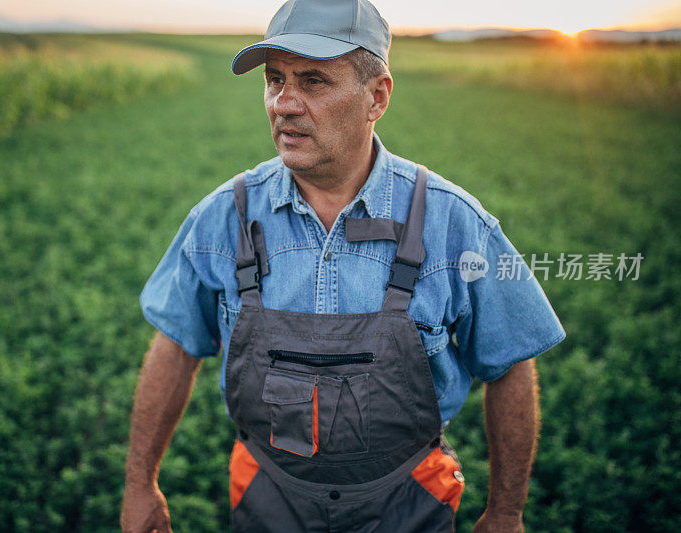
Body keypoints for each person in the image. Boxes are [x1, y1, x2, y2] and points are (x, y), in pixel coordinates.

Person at [121, 0, 566, 531]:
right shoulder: (223, 217)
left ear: (376, 97)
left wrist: (507, 512)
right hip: (267, 496)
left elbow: (510, 365)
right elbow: (175, 346)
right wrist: (140, 485)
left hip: (409, 503)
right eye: (275, 80)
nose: (283, 104)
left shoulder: (453, 224)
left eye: (313, 82)